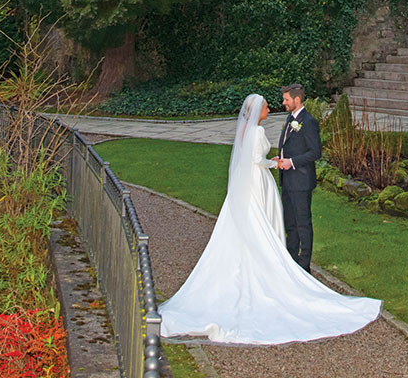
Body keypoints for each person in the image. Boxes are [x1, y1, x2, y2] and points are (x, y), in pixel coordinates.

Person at [158, 93, 380, 345]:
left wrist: (276, 162)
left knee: (248, 226)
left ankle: (274, 262)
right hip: (258, 181)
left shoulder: (247, 130)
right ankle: (273, 267)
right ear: (256, 110)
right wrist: (275, 164)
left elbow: (250, 158)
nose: (271, 107)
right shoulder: (257, 132)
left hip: (247, 184)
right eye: (265, 106)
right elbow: (256, 160)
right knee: (261, 222)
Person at [274, 83, 320, 270]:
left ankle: (304, 266)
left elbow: (315, 152)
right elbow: (289, 145)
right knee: (290, 224)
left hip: (301, 182)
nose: (283, 102)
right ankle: (291, 263)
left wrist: (291, 162)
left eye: (286, 99)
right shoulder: (289, 118)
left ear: (297, 99)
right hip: (288, 181)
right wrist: (281, 158)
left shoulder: (308, 122)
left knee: (303, 224)